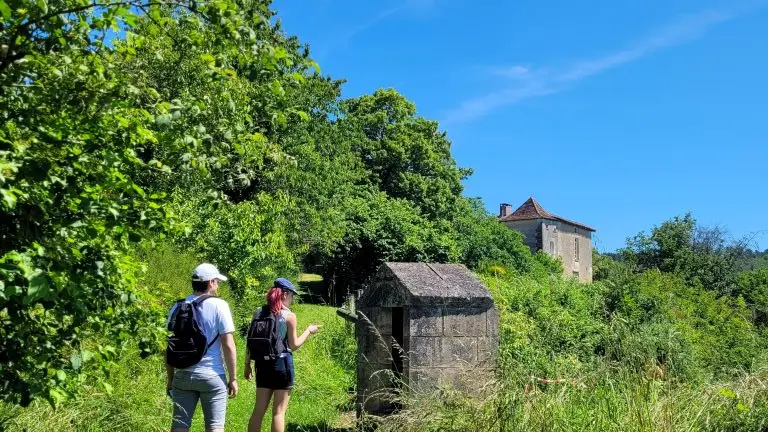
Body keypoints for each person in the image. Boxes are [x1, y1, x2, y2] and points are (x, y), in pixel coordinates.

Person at [167, 263, 238, 432]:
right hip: (212, 376)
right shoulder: (220, 306)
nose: (218, 285)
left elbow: (170, 346)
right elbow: (228, 345)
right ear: (211, 282)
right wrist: (233, 378)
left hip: (183, 376)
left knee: (179, 427)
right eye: (217, 281)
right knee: (215, 427)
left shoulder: (178, 306)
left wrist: (171, 378)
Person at [244, 278, 321, 432]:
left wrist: (247, 365)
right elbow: (294, 345)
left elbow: (250, 341)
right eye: (292, 296)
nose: (292, 299)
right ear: (285, 294)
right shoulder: (289, 316)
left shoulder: (258, 312)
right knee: (278, 413)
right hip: (281, 365)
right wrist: (308, 331)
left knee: (258, 411)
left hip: (262, 364)